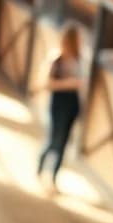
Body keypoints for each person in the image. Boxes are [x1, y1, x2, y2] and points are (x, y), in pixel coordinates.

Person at [37, 24, 84, 190]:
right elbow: (46, 84)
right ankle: (40, 168)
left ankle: (54, 176)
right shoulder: (55, 59)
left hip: (72, 104)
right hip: (58, 103)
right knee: (52, 141)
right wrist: (68, 83)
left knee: (64, 142)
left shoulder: (79, 59)